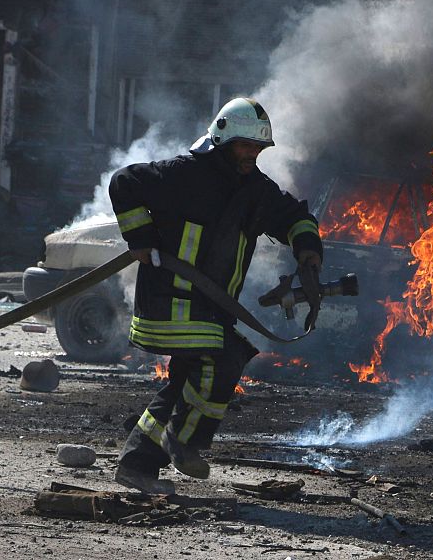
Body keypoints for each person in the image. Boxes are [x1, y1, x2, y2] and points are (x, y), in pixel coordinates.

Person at [109, 97, 323, 494]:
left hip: (208, 309)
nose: (253, 154)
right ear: (222, 138)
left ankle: (143, 460)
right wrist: (140, 237)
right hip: (168, 303)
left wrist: (308, 249)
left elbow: (294, 217)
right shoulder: (180, 175)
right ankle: (180, 442)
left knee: (197, 373)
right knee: (221, 360)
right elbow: (123, 182)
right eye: (246, 146)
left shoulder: (255, 190)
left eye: (258, 148)